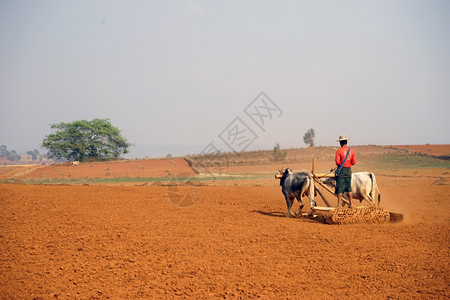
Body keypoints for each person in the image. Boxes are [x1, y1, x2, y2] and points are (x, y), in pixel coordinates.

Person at [335, 135, 356, 208]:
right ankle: (351, 203)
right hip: (349, 170)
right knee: (348, 187)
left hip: (342, 170)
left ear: (340, 143)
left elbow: (337, 162)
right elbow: (353, 162)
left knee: (340, 188)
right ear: (346, 142)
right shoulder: (352, 151)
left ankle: (339, 204)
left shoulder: (339, 151)